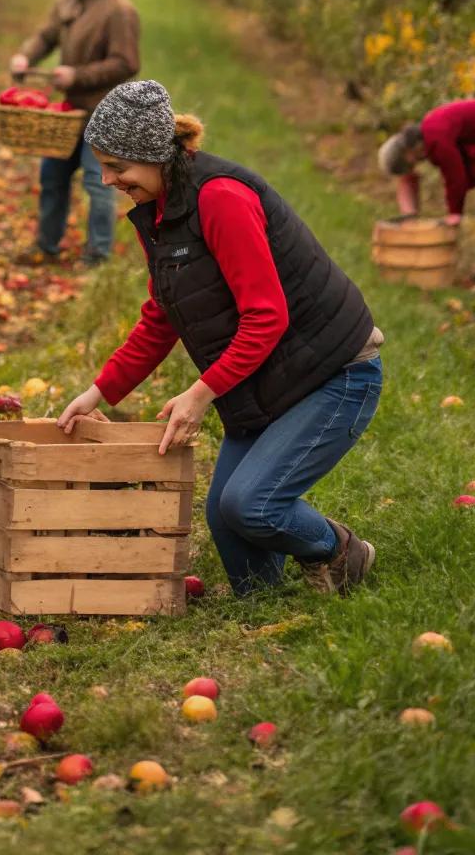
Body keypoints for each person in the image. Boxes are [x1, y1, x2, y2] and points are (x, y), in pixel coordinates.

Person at [57, 80, 384, 598]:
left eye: (117, 166)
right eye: (102, 165)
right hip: (272, 376)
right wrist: (98, 393)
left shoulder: (221, 198)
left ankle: (340, 550)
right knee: (230, 529)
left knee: (250, 505)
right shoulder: (161, 210)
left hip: (334, 373)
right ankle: (267, 603)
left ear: (152, 155)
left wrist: (199, 393)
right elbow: (161, 316)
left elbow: (266, 317)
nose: (107, 179)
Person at [10, 0, 140, 266]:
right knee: (51, 178)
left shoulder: (118, 10)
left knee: (98, 185)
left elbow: (127, 63)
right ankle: (47, 246)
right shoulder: (69, 1)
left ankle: (98, 255)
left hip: (101, 114)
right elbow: (46, 35)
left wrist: (77, 76)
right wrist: (26, 55)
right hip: (68, 113)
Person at [378, 100, 475, 286]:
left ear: (407, 152)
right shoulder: (431, 130)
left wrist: (454, 214)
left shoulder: (435, 138)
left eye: (410, 164)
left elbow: (455, 178)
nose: (414, 165)